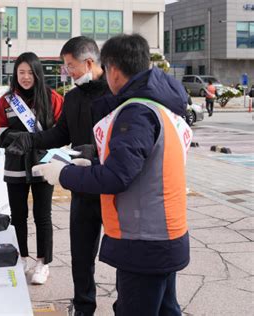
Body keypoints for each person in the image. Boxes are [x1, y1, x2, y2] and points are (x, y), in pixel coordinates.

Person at [33, 34, 192, 316]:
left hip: (145, 242)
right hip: (165, 234)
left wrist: (64, 174)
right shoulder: (159, 106)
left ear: (114, 69)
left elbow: (118, 176)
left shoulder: (136, 112)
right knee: (167, 309)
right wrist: (90, 166)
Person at [6, 36, 116, 315]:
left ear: (89, 62)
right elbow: (60, 134)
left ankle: (125, 305)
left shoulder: (115, 94)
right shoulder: (74, 96)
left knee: (121, 254)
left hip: (113, 185)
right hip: (81, 186)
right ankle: (83, 306)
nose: (67, 72)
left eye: (70, 66)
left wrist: (94, 151)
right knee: (81, 254)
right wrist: (30, 141)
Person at [0, 52, 63, 285]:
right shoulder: (6, 100)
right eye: (20, 72)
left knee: (43, 216)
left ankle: (43, 262)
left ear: (38, 73)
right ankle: (21, 258)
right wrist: (18, 137)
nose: (25, 77)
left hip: (44, 165)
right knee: (18, 216)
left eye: (30, 72)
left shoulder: (52, 98)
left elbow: (62, 131)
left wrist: (37, 140)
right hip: (15, 165)